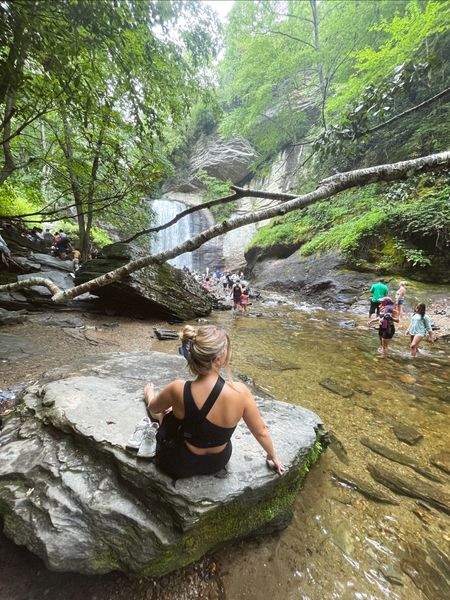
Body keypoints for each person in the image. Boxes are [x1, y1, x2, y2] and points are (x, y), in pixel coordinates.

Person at [143, 325, 285, 479]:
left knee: (166, 413)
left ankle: (163, 415)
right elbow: (261, 431)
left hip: (180, 462)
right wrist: (273, 456)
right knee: (180, 414)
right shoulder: (241, 392)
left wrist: (149, 396)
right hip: (217, 461)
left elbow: (153, 408)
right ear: (219, 359)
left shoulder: (177, 388)